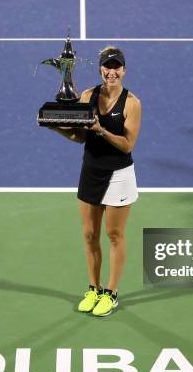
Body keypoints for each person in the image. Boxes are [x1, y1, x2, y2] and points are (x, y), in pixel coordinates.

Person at [49, 46, 142, 316]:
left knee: (114, 235)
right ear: (101, 69)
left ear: (123, 70)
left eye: (117, 67)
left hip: (118, 176)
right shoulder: (87, 96)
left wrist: (101, 131)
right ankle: (94, 288)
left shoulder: (132, 103)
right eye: (107, 66)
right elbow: (79, 136)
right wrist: (56, 126)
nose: (111, 72)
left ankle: (111, 293)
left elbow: (127, 145)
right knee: (89, 235)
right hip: (90, 172)